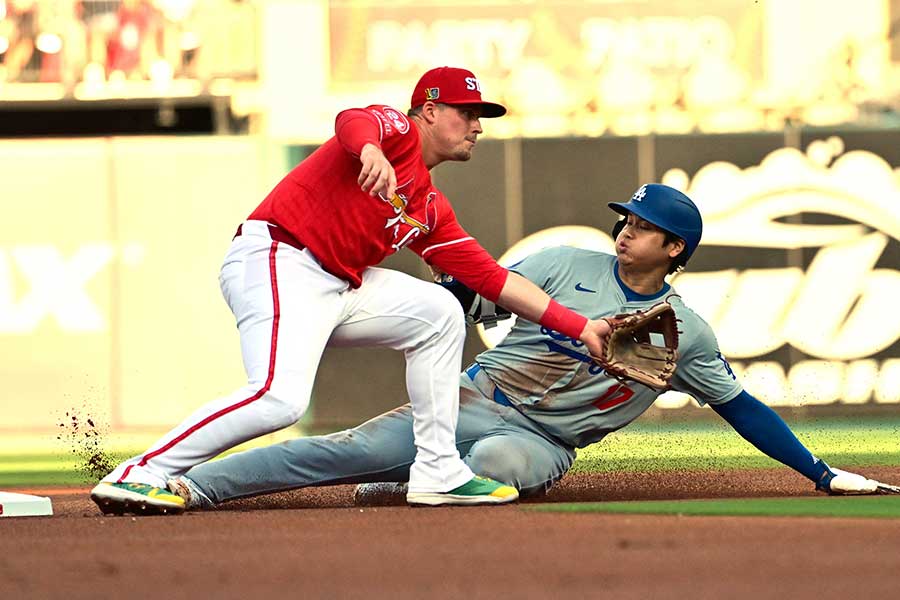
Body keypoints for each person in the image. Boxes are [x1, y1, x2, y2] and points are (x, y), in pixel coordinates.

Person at [163, 183, 898, 511]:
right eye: (625, 219)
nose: (624, 229)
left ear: (674, 248)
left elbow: (741, 408)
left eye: (641, 226)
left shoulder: (687, 332)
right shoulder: (562, 265)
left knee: (496, 467)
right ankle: (188, 485)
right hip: (475, 395)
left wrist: (820, 471)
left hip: (543, 441)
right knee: (335, 450)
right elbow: (467, 300)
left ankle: (413, 484)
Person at [90, 66, 612, 515]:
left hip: (336, 284)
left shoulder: (429, 207)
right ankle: (140, 470)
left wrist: (581, 325)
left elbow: (493, 280)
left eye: (481, 117)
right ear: (428, 110)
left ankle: (436, 472)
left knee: (439, 312)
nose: (477, 126)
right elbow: (352, 120)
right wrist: (370, 150)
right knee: (279, 399)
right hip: (279, 256)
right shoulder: (395, 132)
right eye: (466, 111)